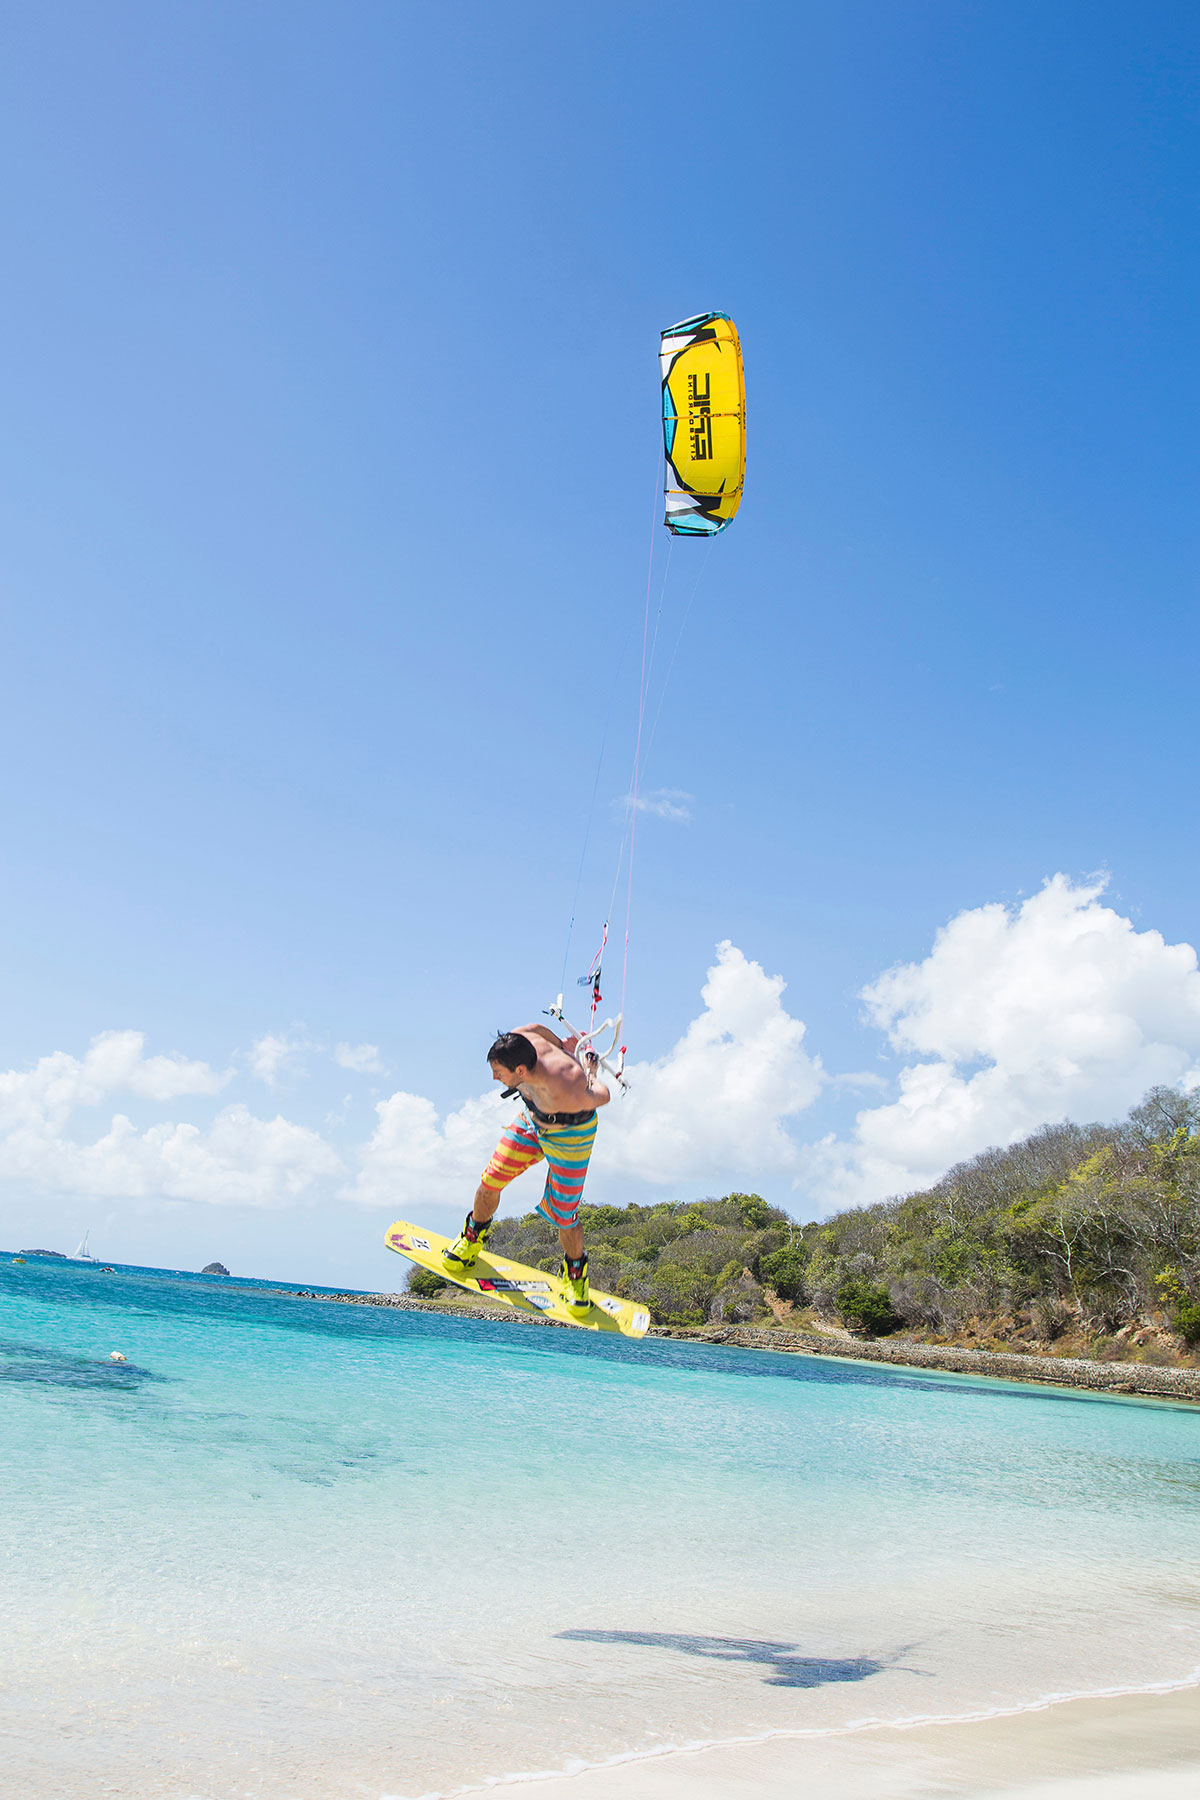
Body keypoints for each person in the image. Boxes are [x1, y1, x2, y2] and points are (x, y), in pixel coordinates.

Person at [442, 1024, 610, 1314]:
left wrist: (590, 1071)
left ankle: (575, 1276)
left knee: (564, 1215)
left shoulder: (568, 1083)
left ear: (521, 1071)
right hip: (532, 1121)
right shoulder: (521, 1039)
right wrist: (562, 1042)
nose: (494, 1077)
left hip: (572, 1134)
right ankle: (471, 1239)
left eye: (499, 1072)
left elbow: (603, 1095)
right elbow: (534, 1027)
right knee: (490, 1180)